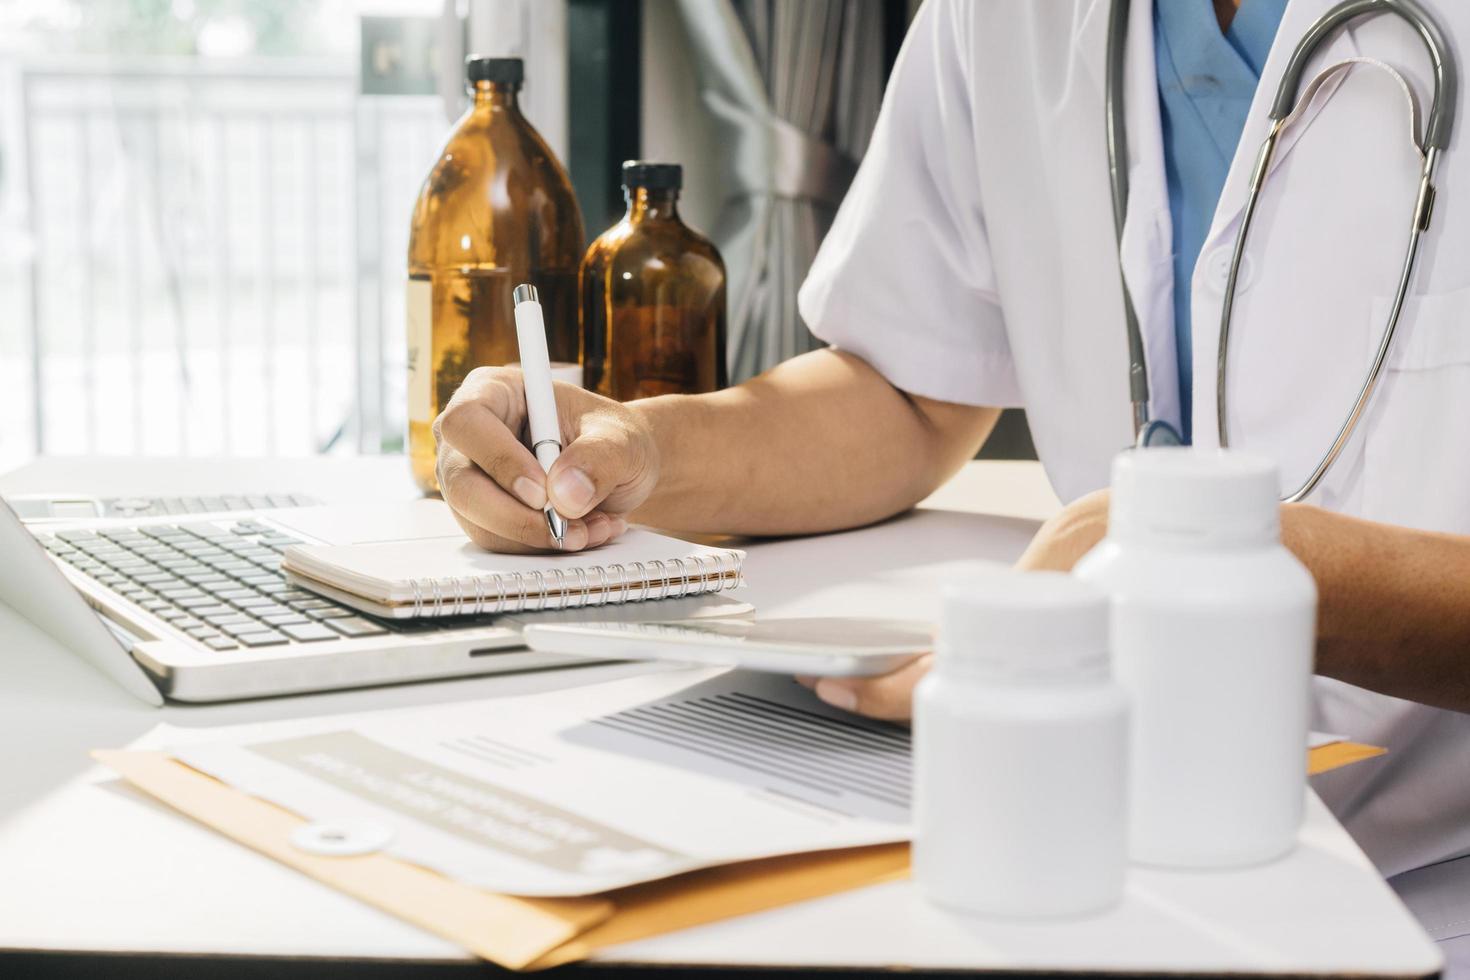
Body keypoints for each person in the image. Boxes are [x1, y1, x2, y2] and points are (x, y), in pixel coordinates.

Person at [435, 0, 1470, 969]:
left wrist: (1201, 564)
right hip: (1070, 838)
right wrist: (640, 445)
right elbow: (911, 386)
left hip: (1432, 879)